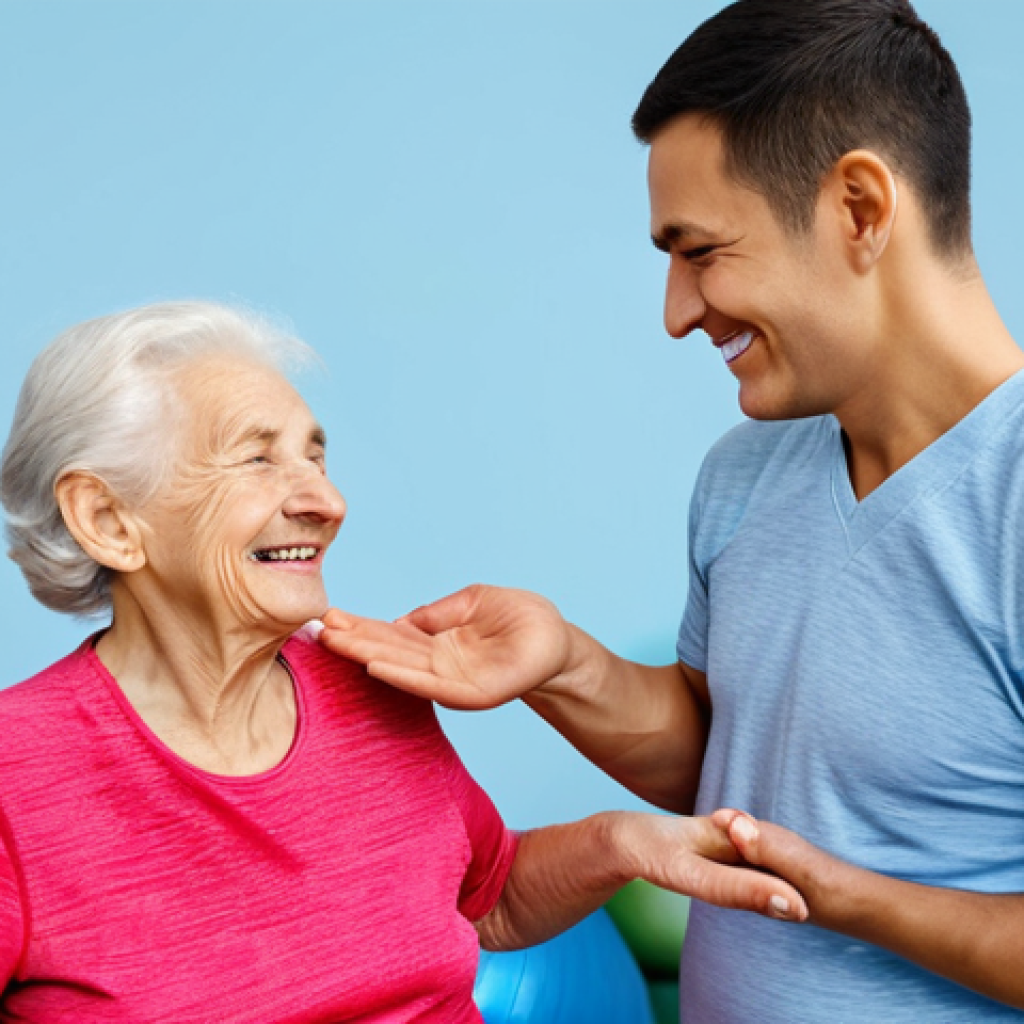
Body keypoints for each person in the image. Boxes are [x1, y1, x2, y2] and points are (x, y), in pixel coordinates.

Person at [318, 1, 1024, 1020]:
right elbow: (728, 754)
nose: (676, 312)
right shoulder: (743, 473)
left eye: (698, 251)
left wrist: (837, 897)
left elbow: (804, 851)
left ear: (860, 209)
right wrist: (562, 665)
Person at [0, 301, 802, 1023]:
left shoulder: (365, 689)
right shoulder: (17, 772)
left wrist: (623, 844)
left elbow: (487, 896)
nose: (325, 500)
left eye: (316, 457)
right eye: (257, 460)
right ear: (107, 519)